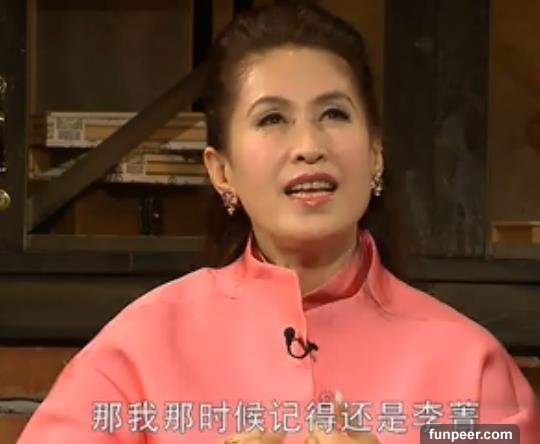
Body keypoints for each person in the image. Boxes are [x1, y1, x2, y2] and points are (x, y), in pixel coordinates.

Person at [16, 2, 540, 444]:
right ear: (222, 171)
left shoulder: (470, 369)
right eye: (272, 119)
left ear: (376, 154)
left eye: (334, 114)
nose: (309, 146)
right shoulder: (138, 351)